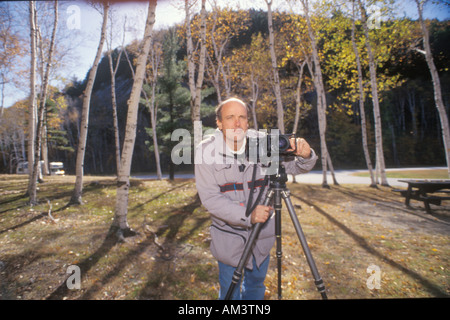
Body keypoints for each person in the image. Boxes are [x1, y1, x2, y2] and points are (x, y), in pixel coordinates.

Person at [194, 97, 317, 300]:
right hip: (229, 237)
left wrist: (306, 155)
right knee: (230, 292)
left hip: (262, 237)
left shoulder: (264, 143)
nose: (237, 123)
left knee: (256, 287)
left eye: (242, 117)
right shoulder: (206, 151)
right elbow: (210, 199)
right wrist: (247, 215)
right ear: (219, 122)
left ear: (248, 121)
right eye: (230, 117)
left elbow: (294, 167)